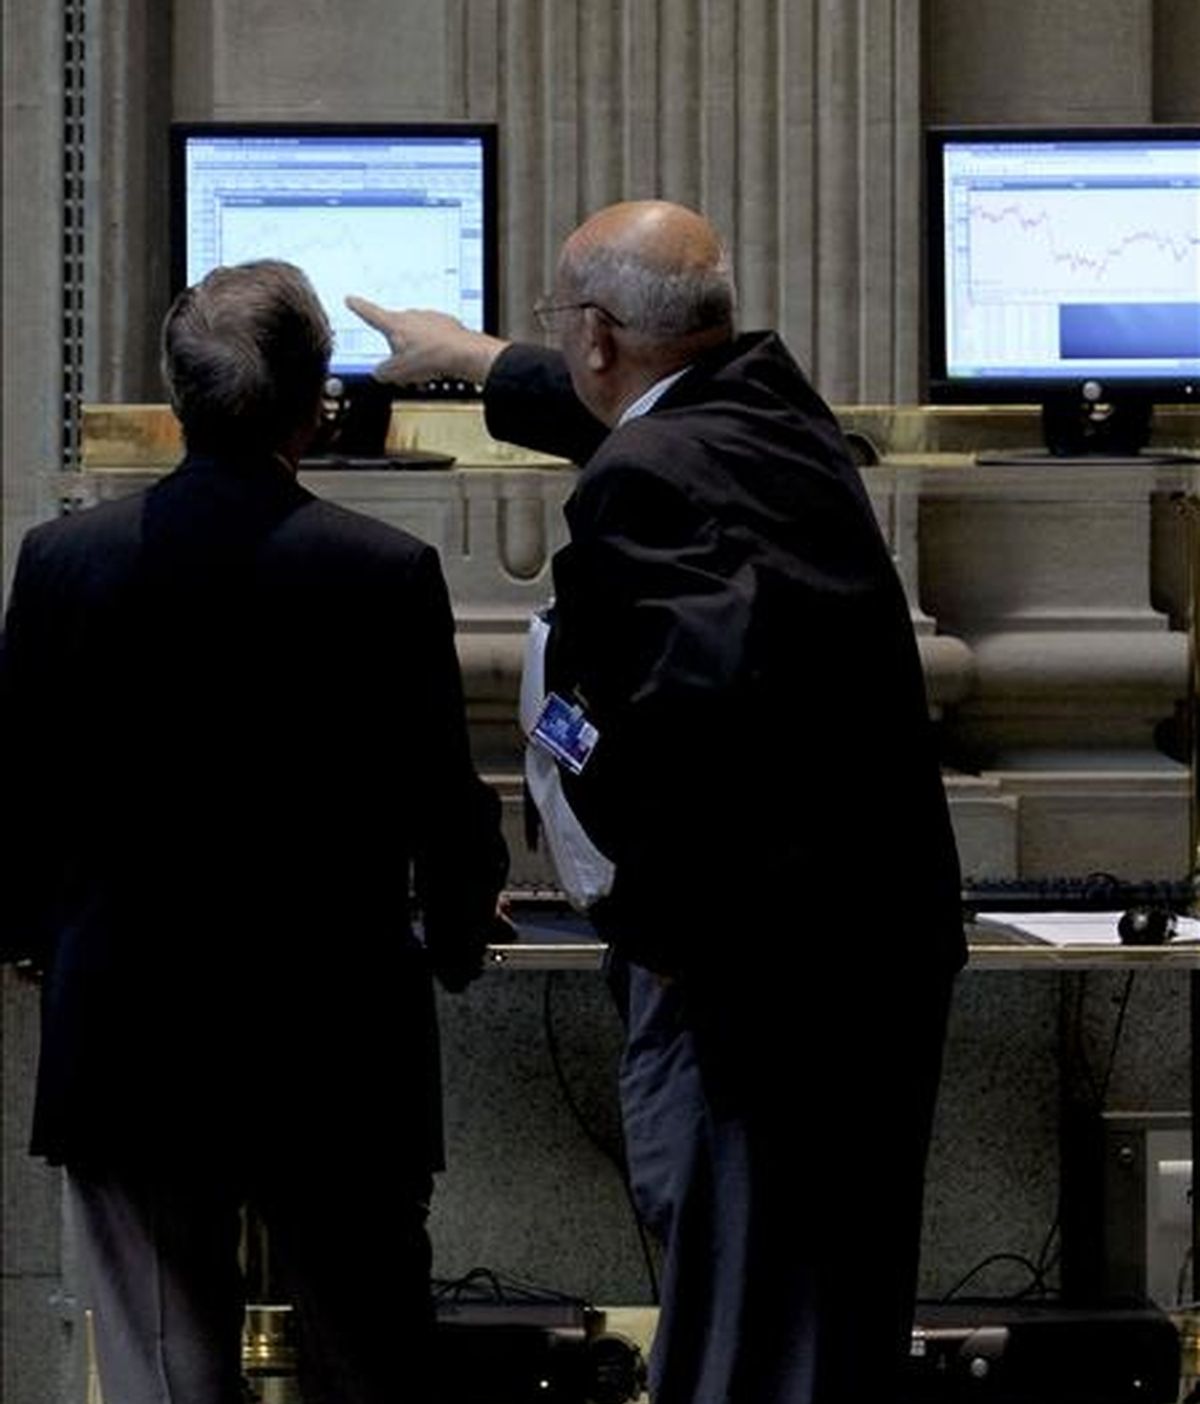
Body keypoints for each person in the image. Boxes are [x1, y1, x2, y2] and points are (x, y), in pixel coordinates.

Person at [348, 199, 966, 1404]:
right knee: (834, 1320)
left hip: (759, 983)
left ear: (595, 336)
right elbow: (643, 415)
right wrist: (474, 360)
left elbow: (692, 721)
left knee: (740, 1330)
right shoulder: (779, 415)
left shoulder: (645, 482)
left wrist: (665, 934)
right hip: (879, 957)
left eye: (558, 327)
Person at [0, 259, 508, 1404]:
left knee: (165, 1370)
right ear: (315, 402)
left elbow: (17, 794)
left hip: (125, 1032)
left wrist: (40, 938)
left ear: (178, 397)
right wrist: (464, 932)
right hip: (334, 1041)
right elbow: (443, 800)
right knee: (363, 1362)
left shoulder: (60, 563)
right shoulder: (384, 572)